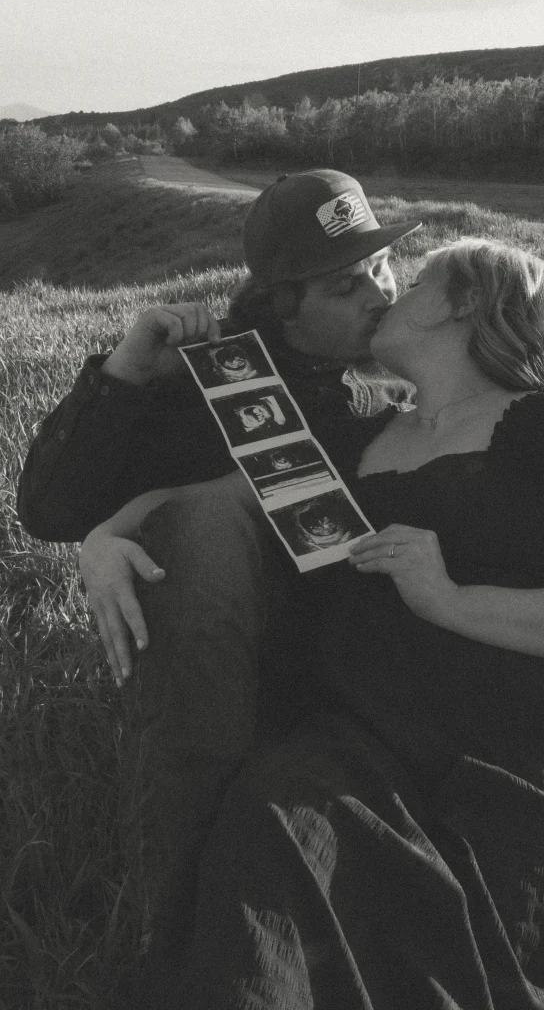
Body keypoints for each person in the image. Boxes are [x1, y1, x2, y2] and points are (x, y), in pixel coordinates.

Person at [80, 238, 544, 1008]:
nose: (386, 291)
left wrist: (451, 601)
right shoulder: (348, 439)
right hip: (373, 738)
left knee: (481, 898)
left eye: (417, 278)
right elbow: (203, 504)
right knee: (273, 829)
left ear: (464, 303)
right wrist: (103, 543)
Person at [16, 168, 421, 980]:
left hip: (362, 654)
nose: (380, 293)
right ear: (282, 303)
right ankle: (174, 932)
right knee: (204, 532)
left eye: (382, 267)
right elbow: (50, 510)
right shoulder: (202, 377)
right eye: (349, 284)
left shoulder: (404, 374)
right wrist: (126, 375)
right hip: (216, 651)